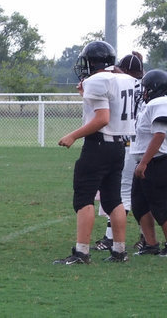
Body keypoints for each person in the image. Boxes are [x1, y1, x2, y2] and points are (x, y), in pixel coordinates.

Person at [54, 40, 136, 264]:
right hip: (120, 146)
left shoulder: (97, 80)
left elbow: (102, 118)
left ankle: (82, 252)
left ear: (93, 61)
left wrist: (73, 135)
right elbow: (112, 109)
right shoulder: (127, 79)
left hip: (98, 145)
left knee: (83, 197)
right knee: (113, 200)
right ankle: (119, 251)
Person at [93, 51, 145, 251]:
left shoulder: (117, 83)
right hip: (147, 144)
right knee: (143, 192)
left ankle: (110, 238)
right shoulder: (145, 84)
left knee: (120, 191)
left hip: (127, 141)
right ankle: (146, 238)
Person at [129, 69, 167, 256]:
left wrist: (144, 163)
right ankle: (151, 244)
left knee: (161, 206)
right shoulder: (153, 103)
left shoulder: (161, 102)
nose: (143, 92)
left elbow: (159, 135)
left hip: (156, 162)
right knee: (140, 204)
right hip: (146, 161)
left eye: (146, 88)